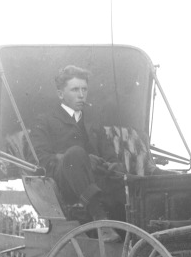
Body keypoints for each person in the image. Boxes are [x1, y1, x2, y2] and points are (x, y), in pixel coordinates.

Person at [31, 65, 129, 240]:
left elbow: (109, 155)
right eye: (75, 89)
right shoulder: (45, 121)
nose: (81, 94)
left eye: (84, 89)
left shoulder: (92, 122)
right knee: (75, 154)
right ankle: (100, 221)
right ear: (61, 94)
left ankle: (131, 230)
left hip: (98, 181)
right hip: (64, 184)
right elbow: (43, 160)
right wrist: (81, 159)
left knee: (121, 171)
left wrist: (113, 164)